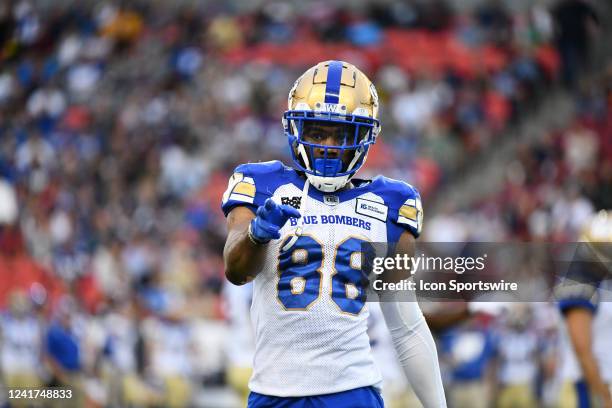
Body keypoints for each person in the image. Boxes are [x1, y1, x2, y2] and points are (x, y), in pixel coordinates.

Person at [222, 60, 446, 407]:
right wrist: (257, 233)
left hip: (352, 391)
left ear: (364, 137)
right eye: (316, 133)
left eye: (340, 134)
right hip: (273, 393)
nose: (328, 145)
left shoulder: (392, 204)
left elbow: (406, 327)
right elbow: (236, 272)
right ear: (296, 131)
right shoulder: (260, 185)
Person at [555, 210, 612, 408]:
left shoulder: (601, 281)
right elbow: (582, 349)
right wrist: (604, 396)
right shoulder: (579, 281)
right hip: (586, 387)